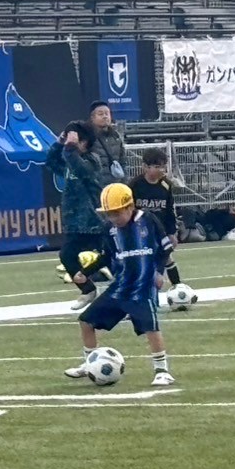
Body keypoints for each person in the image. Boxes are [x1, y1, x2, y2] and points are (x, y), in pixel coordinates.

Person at [64, 183, 175, 387]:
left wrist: (159, 272)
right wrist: (85, 272)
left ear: (130, 206)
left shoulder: (148, 220)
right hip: (119, 287)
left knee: (150, 327)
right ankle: (89, 363)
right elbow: (107, 256)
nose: (113, 218)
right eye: (109, 214)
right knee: (86, 321)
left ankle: (162, 370)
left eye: (117, 213)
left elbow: (165, 249)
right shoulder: (109, 229)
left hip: (142, 287)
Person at [45, 121, 111, 310]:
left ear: (85, 142)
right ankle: (87, 289)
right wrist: (60, 143)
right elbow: (51, 162)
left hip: (94, 222)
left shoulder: (92, 161)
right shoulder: (69, 161)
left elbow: (80, 169)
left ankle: (130, 294)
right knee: (67, 255)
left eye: (75, 141)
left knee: (112, 257)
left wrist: (69, 148)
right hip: (75, 223)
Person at [131, 147, 185, 286]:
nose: (161, 170)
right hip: (140, 230)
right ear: (145, 167)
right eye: (156, 167)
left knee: (167, 257)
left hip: (159, 230)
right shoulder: (135, 185)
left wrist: (172, 232)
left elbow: (169, 210)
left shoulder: (166, 185)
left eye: (163, 166)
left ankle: (178, 286)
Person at [88, 100, 128, 183]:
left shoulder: (116, 136)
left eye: (107, 113)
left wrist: (124, 182)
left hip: (115, 185)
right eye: (100, 114)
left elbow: (123, 162)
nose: (105, 116)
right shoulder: (87, 137)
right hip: (96, 186)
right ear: (92, 117)